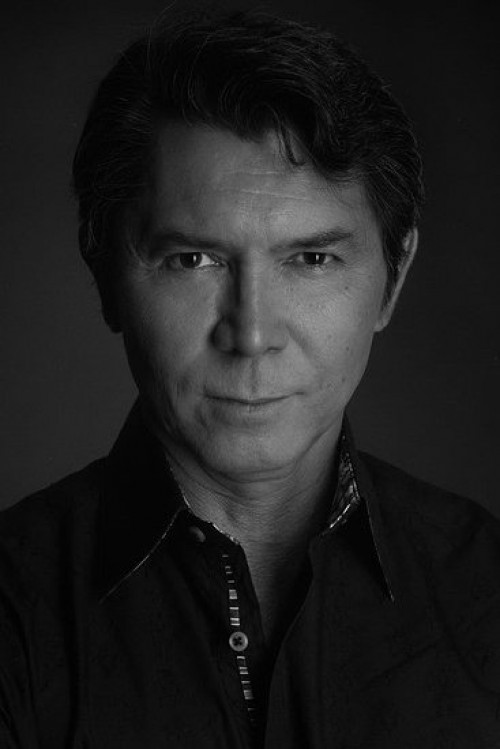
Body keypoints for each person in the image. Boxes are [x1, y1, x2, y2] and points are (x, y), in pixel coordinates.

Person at [1, 8, 499, 748]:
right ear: (106, 278)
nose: (253, 334)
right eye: (193, 260)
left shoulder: (487, 587)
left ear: (392, 282)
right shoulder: (13, 606)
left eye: (312, 259)